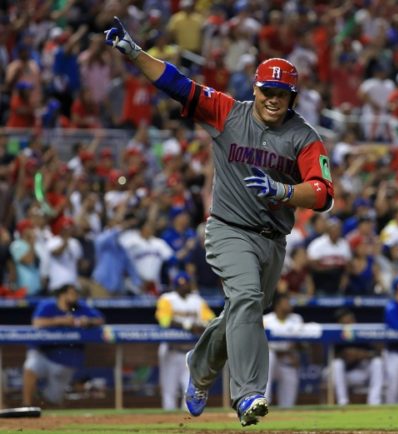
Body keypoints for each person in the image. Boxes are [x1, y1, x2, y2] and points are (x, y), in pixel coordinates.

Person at [105, 17, 334, 426]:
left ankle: (200, 365)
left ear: (292, 97)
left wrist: (284, 192)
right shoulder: (230, 113)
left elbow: (323, 192)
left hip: (272, 241)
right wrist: (135, 54)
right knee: (246, 301)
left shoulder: (304, 136)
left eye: (283, 93)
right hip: (228, 229)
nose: (274, 99)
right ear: (255, 88)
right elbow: (178, 84)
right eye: (268, 90)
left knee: (239, 314)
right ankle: (248, 396)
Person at [22, 284, 104, 407]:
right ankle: (26, 405)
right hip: (43, 353)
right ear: (62, 295)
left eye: (76, 294)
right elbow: (37, 322)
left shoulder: (79, 308)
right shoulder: (48, 305)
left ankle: (43, 413)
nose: (75, 297)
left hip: (65, 360)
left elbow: (100, 319)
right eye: (72, 294)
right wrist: (61, 320)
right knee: (31, 367)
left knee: (52, 401)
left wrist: (87, 321)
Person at [155, 272, 215, 410]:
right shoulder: (167, 299)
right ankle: (168, 428)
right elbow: (164, 321)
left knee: (190, 394)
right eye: (180, 285)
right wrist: (188, 326)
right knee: (169, 392)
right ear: (175, 286)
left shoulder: (197, 300)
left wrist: (201, 325)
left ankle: (188, 426)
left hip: (192, 353)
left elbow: (212, 319)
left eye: (185, 284)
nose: (183, 287)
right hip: (172, 350)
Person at [329, 308, 384, 406]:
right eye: (346, 322)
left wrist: (362, 354)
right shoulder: (335, 335)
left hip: (360, 372)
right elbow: (331, 358)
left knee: (377, 362)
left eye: (351, 321)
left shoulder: (361, 333)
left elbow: (376, 353)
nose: (350, 324)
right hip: (342, 375)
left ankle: (374, 402)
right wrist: (345, 355)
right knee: (337, 364)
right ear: (340, 323)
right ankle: (343, 402)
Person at [262, 292, 304, 408]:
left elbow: (300, 343)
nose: (289, 305)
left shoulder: (296, 319)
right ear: (277, 305)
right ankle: (264, 401)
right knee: (270, 355)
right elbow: (260, 344)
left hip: (287, 361)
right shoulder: (266, 319)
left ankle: (286, 415)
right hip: (270, 363)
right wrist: (280, 350)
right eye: (286, 302)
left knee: (288, 404)